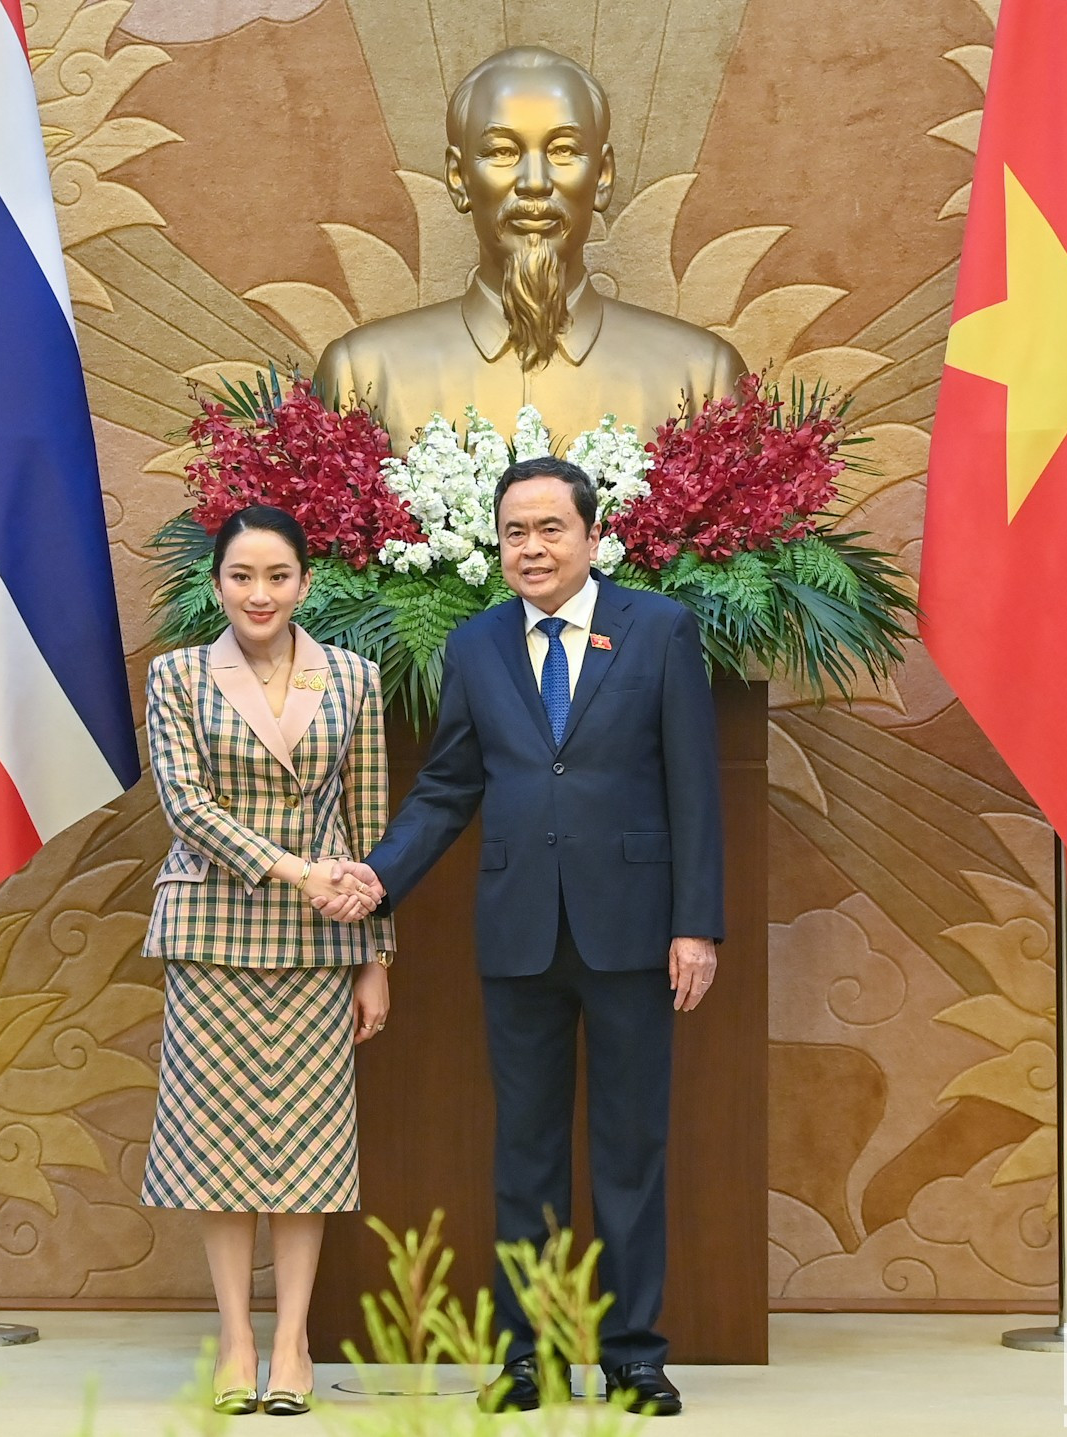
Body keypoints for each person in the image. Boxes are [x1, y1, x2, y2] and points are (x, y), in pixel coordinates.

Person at [327, 457, 722, 1417]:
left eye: (551, 528)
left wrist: (696, 925)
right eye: (515, 532)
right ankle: (525, 1353)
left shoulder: (659, 630)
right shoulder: (476, 646)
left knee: (631, 1149)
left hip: (633, 933)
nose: (532, 547)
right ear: (496, 544)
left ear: (593, 535)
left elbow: (694, 790)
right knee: (526, 1155)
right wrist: (381, 875)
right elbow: (449, 786)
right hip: (518, 937)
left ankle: (632, 1352)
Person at [140, 504, 394, 1418]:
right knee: (220, 1148)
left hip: (326, 942)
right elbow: (186, 807)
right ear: (216, 583)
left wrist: (378, 954)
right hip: (214, 934)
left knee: (309, 1149)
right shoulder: (175, 677)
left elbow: (367, 827)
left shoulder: (356, 678)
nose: (260, 593)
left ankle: (292, 1341)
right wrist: (298, 870)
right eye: (242, 576)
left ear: (305, 583)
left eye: (278, 576)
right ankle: (236, 1336)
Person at [312, 45, 743, 451]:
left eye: (563, 150)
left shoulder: (703, 378)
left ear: (603, 175)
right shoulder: (362, 376)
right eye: (502, 151)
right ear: (459, 178)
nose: (534, 181)